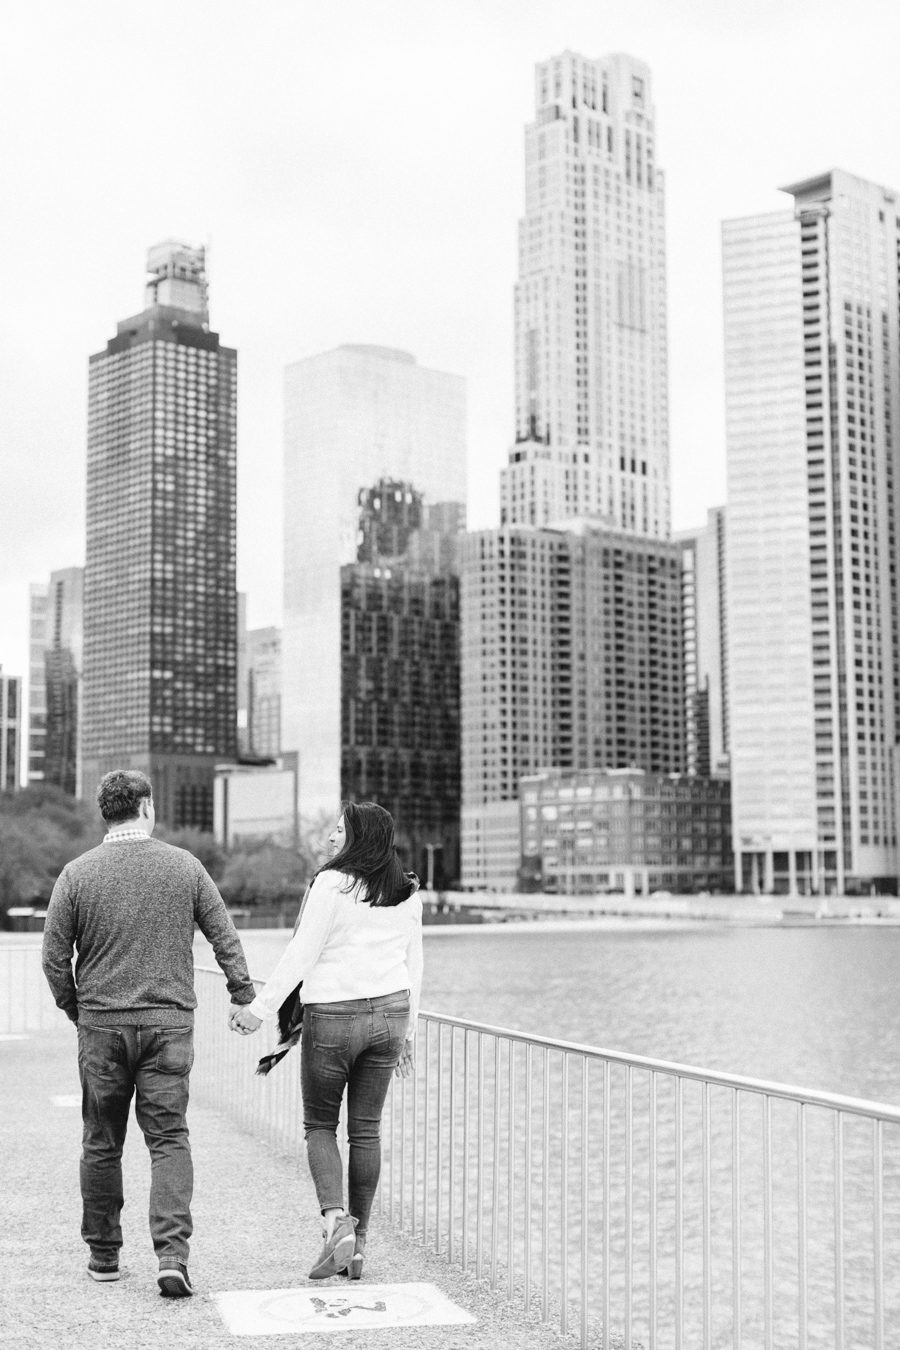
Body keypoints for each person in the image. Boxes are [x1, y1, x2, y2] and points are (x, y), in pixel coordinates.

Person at [42, 769, 258, 1297]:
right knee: (168, 1140)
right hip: (168, 1027)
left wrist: (79, 1010)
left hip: (102, 1026)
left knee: (101, 1141)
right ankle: (172, 1256)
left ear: (105, 813)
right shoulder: (184, 866)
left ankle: (104, 1256)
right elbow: (223, 936)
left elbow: (53, 958)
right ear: (146, 807)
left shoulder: (76, 874)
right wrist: (242, 993)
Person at [230, 801, 423, 1281]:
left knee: (319, 1124)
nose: (330, 838)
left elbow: (302, 952)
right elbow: (414, 968)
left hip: (334, 1015)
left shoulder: (331, 884)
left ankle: (336, 1221)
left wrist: (259, 1010)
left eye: (339, 830)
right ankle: (359, 1250)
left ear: (359, 836)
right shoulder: (407, 892)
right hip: (391, 1015)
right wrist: (410, 1033)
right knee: (366, 1132)